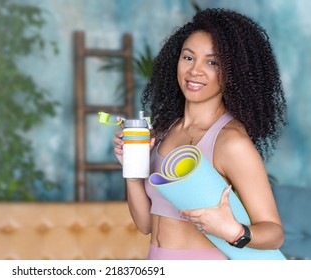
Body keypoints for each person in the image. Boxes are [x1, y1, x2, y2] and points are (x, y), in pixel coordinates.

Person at [113, 8, 287, 260]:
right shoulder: (164, 131)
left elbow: (274, 234)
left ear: (233, 72)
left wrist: (236, 232)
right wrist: (132, 170)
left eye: (212, 62)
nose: (195, 71)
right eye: (188, 57)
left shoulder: (230, 142)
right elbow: (146, 226)